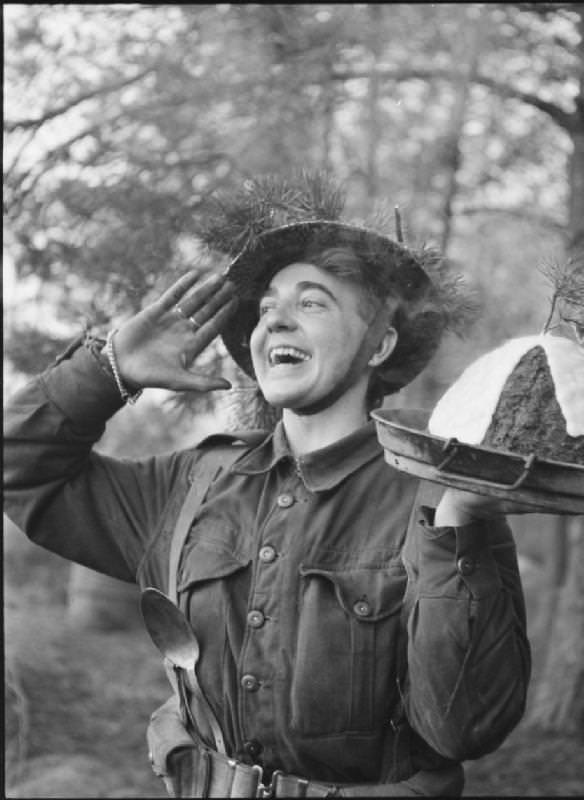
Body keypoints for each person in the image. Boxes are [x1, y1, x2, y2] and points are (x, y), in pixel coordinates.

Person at [4, 172, 531, 798]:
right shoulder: (190, 483)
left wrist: (455, 529)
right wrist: (109, 369)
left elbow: (463, 728)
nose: (277, 320)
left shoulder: (438, 498)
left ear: (380, 343)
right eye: (267, 308)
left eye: (312, 303)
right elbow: (19, 467)